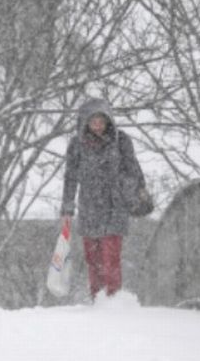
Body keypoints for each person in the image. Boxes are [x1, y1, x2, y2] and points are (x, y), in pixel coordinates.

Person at [59, 96, 145, 300]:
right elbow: (70, 177)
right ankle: (97, 299)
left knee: (111, 257)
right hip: (89, 206)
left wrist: (129, 190)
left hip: (115, 207)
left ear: (109, 121)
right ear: (85, 123)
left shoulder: (121, 141)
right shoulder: (76, 145)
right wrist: (67, 207)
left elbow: (134, 171)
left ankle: (113, 301)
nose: (98, 125)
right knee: (93, 258)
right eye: (93, 121)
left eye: (101, 120)